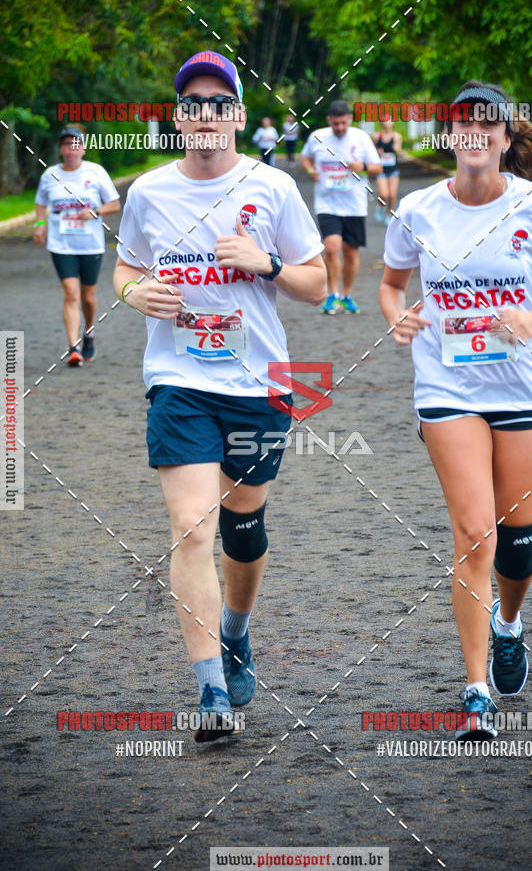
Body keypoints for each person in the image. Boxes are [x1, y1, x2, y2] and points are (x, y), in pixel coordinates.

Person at [113, 50, 326, 743]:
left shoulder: (274, 186)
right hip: (179, 382)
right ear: (178, 118)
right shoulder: (148, 192)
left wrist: (264, 263)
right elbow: (126, 265)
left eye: (217, 103)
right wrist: (131, 292)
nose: (204, 115)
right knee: (193, 529)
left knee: (242, 531)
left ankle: (236, 631)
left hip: (260, 383)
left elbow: (316, 282)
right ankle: (209, 691)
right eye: (192, 104)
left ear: (235, 115)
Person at [380, 80, 532, 740]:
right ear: (452, 136)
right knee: (476, 533)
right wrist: (399, 318)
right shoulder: (418, 210)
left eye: (488, 124)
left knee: (519, 547)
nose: (475, 133)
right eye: (463, 124)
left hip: (523, 390)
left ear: (505, 138)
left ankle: (510, 623)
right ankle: (477, 691)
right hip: (448, 389)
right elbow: (391, 286)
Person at [33, 125, 121, 365]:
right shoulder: (49, 174)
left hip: (90, 245)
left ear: (83, 149)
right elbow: (41, 203)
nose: (71, 150)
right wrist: (40, 224)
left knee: (88, 297)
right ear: (61, 149)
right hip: (61, 244)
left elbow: (114, 203)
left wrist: (95, 212)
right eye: (66, 145)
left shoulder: (96, 172)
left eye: (76, 145)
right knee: (71, 294)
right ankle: (73, 348)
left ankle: (89, 332)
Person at [300, 100, 382, 314]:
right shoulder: (317, 136)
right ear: (329, 120)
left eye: (343, 123)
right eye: (336, 124)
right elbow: (305, 157)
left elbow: (378, 167)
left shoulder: (361, 138)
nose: (339, 128)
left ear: (350, 120)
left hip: (354, 205)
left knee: (351, 254)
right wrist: (311, 172)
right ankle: (332, 294)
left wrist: (361, 167)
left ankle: (346, 295)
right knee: (332, 247)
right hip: (327, 203)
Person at [372, 118, 402, 224]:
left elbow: (399, 152)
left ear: (393, 122)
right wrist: (377, 152)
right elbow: (371, 151)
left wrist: (396, 149)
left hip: (393, 169)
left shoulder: (397, 136)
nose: (387, 123)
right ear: (381, 123)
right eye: (384, 121)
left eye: (389, 120)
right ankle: (380, 207)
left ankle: (389, 214)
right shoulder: (376, 136)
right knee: (384, 194)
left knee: (392, 195)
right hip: (381, 170)